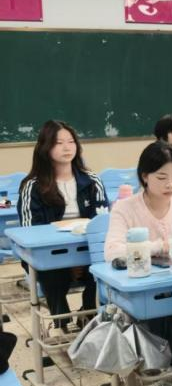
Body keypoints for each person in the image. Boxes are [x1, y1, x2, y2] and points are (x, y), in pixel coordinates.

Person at [105, 141, 172, 365]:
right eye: (162, 177)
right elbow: (112, 251)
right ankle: (167, 365)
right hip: (146, 289)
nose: (171, 184)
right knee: (163, 313)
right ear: (145, 176)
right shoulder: (125, 208)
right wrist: (160, 245)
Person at [18, 120, 108, 333]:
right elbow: (31, 235)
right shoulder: (33, 186)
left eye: (71, 141)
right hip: (50, 257)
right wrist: (68, 261)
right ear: (45, 147)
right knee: (53, 276)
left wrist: (80, 257)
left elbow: (102, 225)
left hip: (88, 252)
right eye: (59, 143)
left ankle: (88, 316)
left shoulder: (91, 180)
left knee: (104, 269)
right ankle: (61, 323)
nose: (67, 147)